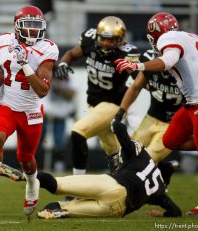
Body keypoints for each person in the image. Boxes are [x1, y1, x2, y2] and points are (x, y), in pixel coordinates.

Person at [114, 12, 198, 216]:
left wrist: (136, 65)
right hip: (192, 103)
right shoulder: (192, 37)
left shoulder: (167, 39)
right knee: (170, 140)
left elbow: (167, 61)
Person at [0, 119, 182, 219]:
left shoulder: (142, 157)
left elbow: (119, 127)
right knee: (59, 209)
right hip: (118, 206)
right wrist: (161, 214)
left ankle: (23, 176)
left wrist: (113, 120)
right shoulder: (159, 192)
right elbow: (176, 212)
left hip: (108, 182)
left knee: (56, 184)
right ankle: (55, 212)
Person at [0, 5, 59, 217]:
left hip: (30, 110)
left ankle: (32, 185)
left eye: (36, 26)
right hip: (7, 104)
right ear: (16, 26)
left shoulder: (48, 48)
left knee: (26, 158)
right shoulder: (3, 41)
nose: (32, 31)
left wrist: (24, 64)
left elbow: (42, 90)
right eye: (27, 25)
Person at [53, 16, 140, 176]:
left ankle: (78, 185)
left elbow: (139, 81)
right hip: (94, 104)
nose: (107, 43)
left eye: (112, 40)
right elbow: (72, 54)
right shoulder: (89, 40)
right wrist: (64, 63)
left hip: (114, 104)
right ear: (98, 36)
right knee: (113, 152)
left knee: (78, 132)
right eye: (104, 39)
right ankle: (129, 180)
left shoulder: (126, 53)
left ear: (121, 39)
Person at [114, 48, 182, 185]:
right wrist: (119, 114)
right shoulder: (149, 59)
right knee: (128, 154)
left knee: (147, 160)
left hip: (174, 123)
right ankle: (165, 168)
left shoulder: (186, 66)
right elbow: (135, 86)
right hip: (151, 117)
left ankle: (151, 191)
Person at [39, 78, 76, 172]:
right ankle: (36, 163)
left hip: (60, 115)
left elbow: (72, 94)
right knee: (39, 139)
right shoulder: (45, 76)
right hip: (45, 114)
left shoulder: (68, 80)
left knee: (59, 141)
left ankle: (58, 164)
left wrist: (59, 88)